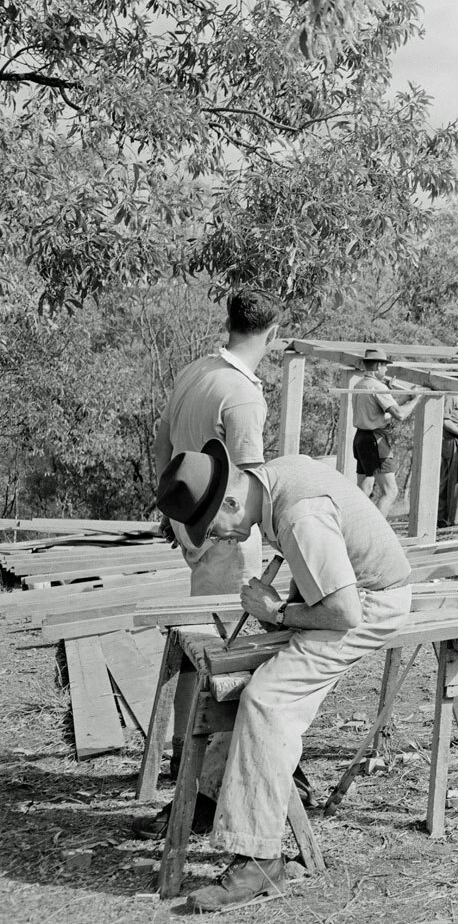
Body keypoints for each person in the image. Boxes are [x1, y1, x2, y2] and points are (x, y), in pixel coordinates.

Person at [142, 440, 413, 912]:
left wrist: (279, 612)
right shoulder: (271, 479)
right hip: (347, 592)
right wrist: (282, 611)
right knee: (245, 673)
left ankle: (261, 860)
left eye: (214, 528)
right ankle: (212, 795)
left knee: (267, 699)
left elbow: (345, 613)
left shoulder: (296, 516)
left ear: (229, 500)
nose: (222, 538)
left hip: (373, 603)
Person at [151, 287, 280, 778]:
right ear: (272, 333)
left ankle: (185, 752)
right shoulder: (242, 395)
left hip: (193, 522)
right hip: (226, 531)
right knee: (227, 648)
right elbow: (249, 483)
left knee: (195, 634)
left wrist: (173, 508)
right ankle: (210, 766)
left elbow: (163, 439)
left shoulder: (196, 371)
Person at [352, 347, 423, 517]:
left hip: (361, 438)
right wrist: (418, 399)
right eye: (385, 366)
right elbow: (399, 414)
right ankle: (376, 531)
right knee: (390, 492)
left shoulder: (360, 384)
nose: (387, 369)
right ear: (377, 366)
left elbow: (382, 410)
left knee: (364, 489)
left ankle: (357, 526)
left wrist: (405, 397)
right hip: (375, 440)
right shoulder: (377, 387)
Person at [437, 367, 458, 528]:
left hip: (455, 440)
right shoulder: (452, 396)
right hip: (452, 440)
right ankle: (453, 516)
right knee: (456, 479)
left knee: (453, 478)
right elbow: (445, 420)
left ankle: (445, 516)